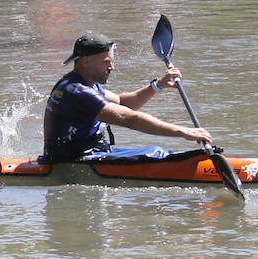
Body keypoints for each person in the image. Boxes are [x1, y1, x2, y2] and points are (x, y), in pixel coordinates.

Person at [41, 32, 210, 163]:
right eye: (106, 62)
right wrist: (183, 131)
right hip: (76, 160)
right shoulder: (77, 92)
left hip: (91, 153)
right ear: (85, 61)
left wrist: (157, 85)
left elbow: (124, 103)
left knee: (156, 151)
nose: (112, 67)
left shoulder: (83, 84)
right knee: (156, 153)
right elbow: (129, 119)